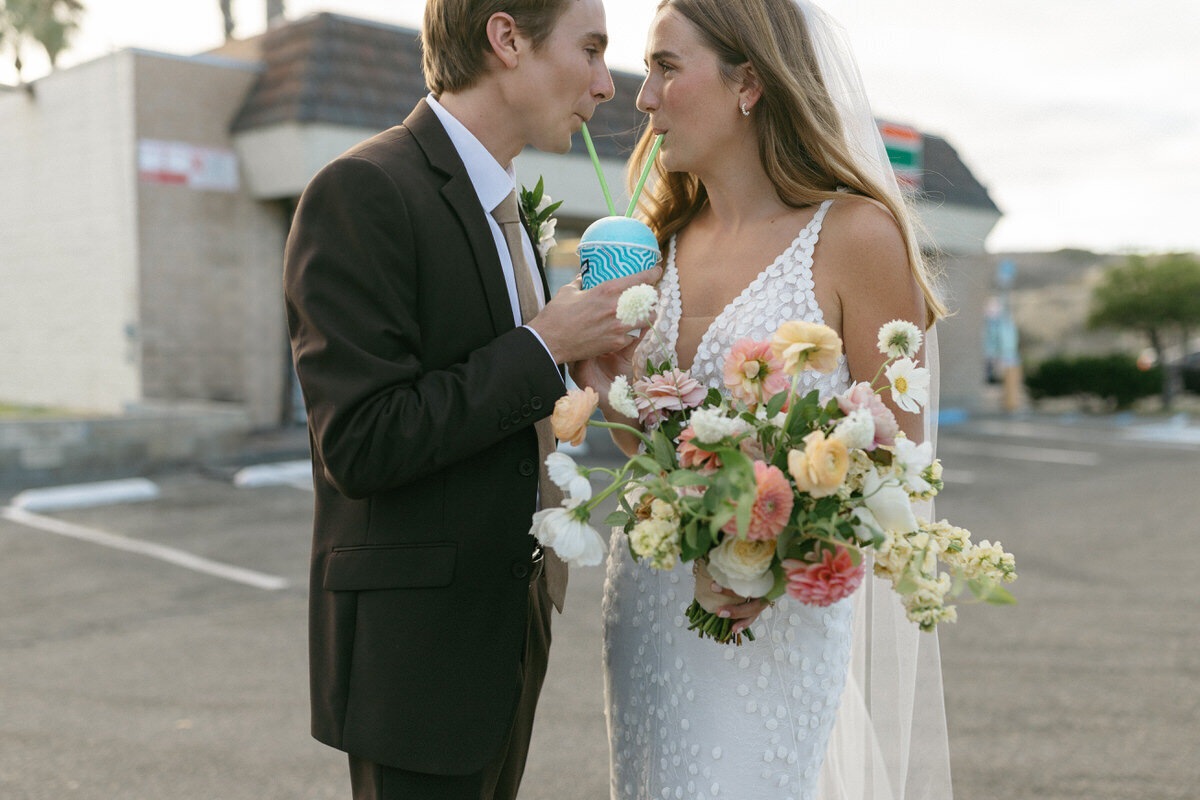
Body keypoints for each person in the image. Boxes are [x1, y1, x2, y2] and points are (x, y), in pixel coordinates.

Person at [570, 1, 953, 798]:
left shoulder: (856, 236)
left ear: (749, 81)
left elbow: (901, 467)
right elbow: (651, 454)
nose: (641, 99)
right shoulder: (658, 247)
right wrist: (607, 392)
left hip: (771, 622)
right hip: (650, 600)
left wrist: (777, 554)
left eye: (667, 68)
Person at [283, 1, 659, 798]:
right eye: (590, 50)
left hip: (508, 629)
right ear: (506, 37)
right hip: (416, 660)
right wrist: (545, 345)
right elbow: (360, 442)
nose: (604, 85)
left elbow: (493, 399)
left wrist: (577, 379)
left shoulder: (513, 206)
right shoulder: (363, 190)